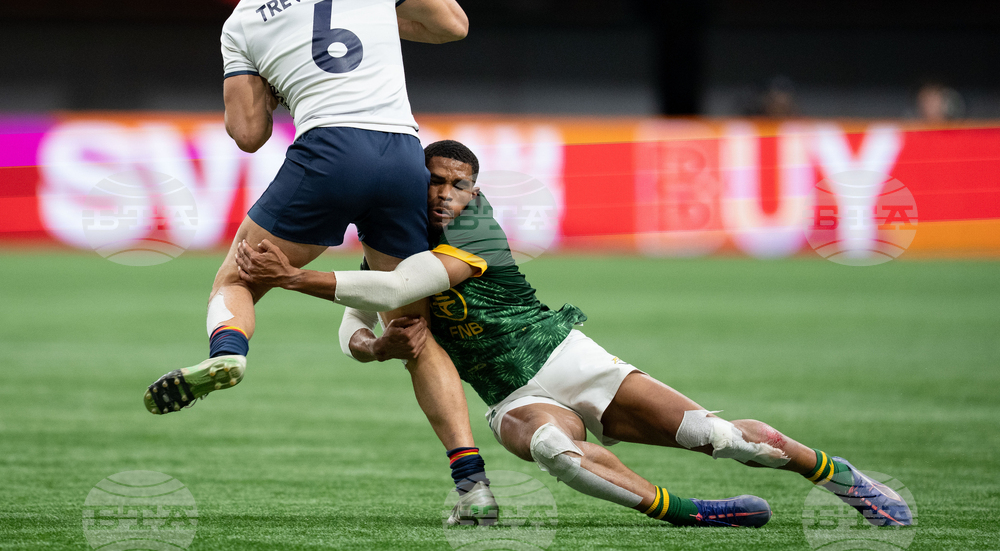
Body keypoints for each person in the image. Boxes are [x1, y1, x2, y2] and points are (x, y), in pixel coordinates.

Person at [235, 139, 915, 529]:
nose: (445, 193)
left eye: (458, 184)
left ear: (474, 192)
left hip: (570, 360)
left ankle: (836, 474)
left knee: (723, 438)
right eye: (435, 182)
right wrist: (370, 347)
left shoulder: (475, 230)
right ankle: (688, 513)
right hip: (513, 396)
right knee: (554, 448)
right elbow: (357, 322)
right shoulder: (387, 242)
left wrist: (292, 279)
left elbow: (395, 291)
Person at [142, 0, 495, 521]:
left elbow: (249, 134)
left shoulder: (243, 17)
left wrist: (274, 80)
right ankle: (473, 486)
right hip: (399, 153)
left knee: (237, 277)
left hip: (327, 150)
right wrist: (383, 25)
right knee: (412, 330)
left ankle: (228, 350)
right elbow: (453, 24)